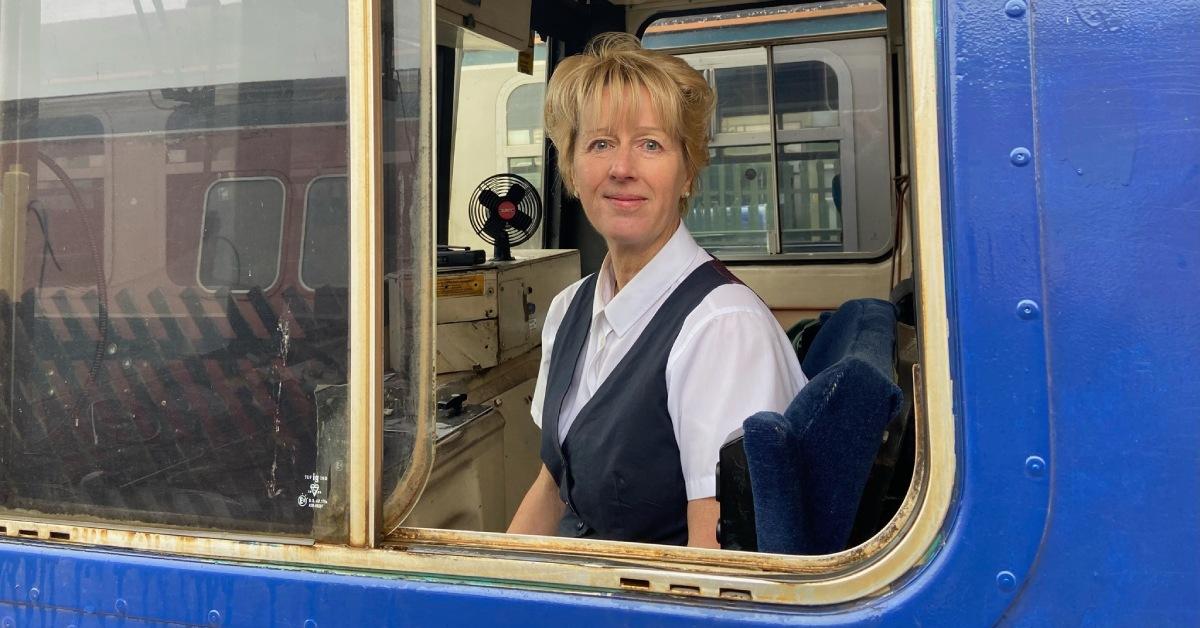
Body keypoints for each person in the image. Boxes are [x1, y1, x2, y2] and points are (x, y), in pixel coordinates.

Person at [507, 33, 806, 548]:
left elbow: (714, 564)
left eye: (650, 144)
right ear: (572, 169)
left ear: (687, 171)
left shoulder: (722, 330)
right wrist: (493, 585)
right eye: (600, 144)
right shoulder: (568, 308)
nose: (622, 168)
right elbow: (552, 484)